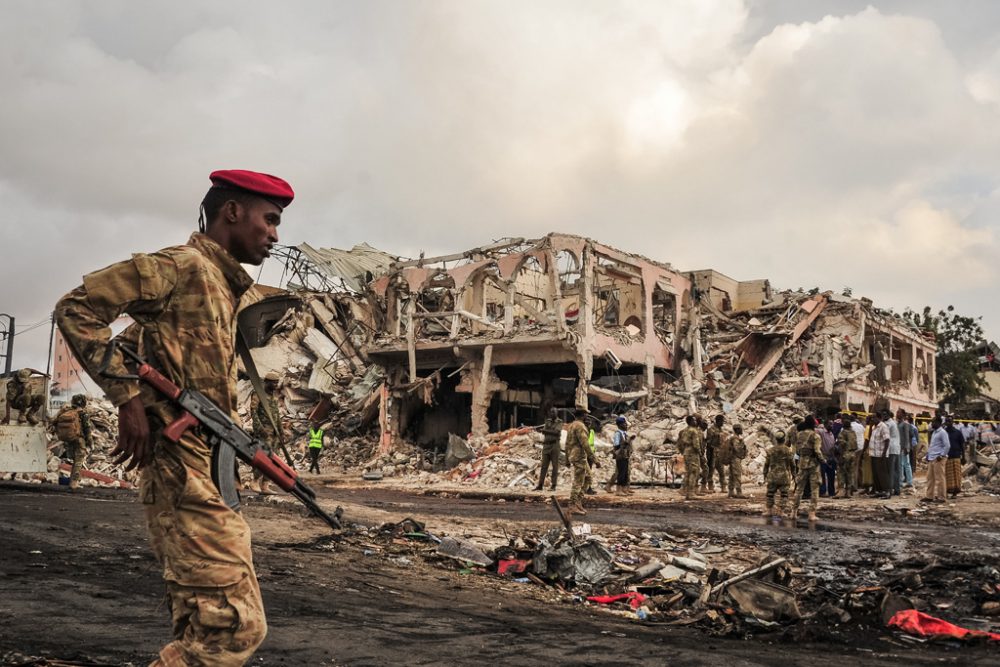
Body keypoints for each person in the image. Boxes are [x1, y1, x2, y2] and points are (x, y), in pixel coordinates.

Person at [55, 168, 293, 665]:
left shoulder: (223, 288)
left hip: (201, 465)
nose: (275, 235)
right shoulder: (180, 267)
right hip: (178, 468)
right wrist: (126, 400)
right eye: (269, 220)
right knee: (233, 629)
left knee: (206, 620)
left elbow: (139, 347)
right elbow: (75, 309)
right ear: (232, 211)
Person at [54, 394, 93, 490]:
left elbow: (54, 422)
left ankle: (73, 481)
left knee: (75, 461)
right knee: (78, 461)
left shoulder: (66, 412)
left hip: (69, 439)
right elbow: (87, 429)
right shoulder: (84, 414)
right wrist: (90, 442)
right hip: (79, 440)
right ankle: (74, 482)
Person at [249, 377, 281, 494]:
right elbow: (253, 412)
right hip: (264, 433)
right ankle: (255, 481)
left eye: (277, 382)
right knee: (263, 457)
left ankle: (265, 485)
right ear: (267, 382)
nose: (276, 385)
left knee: (273, 458)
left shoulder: (274, 398)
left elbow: (277, 416)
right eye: (274, 382)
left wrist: (280, 431)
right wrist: (259, 429)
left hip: (274, 433)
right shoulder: (258, 394)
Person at [789, 415, 823, 522]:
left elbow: (798, 450)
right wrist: (823, 460)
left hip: (802, 463)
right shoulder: (815, 436)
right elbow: (817, 451)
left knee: (799, 489)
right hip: (813, 465)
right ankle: (812, 514)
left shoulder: (799, 435)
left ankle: (793, 512)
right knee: (814, 489)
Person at [565, 409, 593, 515]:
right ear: (583, 415)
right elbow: (585, 444)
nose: (587, 416)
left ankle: (577, 502)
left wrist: (567, 459)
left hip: (575, 456)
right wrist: (594, 459)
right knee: (578, 482)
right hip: (579, 457)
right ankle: (572, 505)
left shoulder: (571, 425)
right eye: (586, 414)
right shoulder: (580, 426)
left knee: (588, 478)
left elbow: (567, 444)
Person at [762, 430, 794, 518]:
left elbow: (766, 465)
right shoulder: (788, 450)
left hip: (773, 475)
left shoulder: (770, 450)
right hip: (784, 476)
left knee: (770, 493)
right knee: (784, 494)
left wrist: (765, 475)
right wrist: (794, 475)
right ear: (784, 439)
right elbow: (792, 464)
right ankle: (781, 511)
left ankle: (769, 511)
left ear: (776, 439)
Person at [922, 416, 949, 504]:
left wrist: (941, 455)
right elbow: (933, 445)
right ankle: (929, 496)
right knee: (930, 478)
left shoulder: (942, 432)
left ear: (938, 423)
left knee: (940, 478)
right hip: (932, 457)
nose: (931, 424)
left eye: (933, 422)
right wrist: (928, 455)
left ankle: (941, 497)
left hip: (938, 458)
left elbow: (947, 445)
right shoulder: (934, 432)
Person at [534, 408, 563, 491]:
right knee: (544, 466)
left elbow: (557, 432)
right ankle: (540, 485)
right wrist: (547, 431)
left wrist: (545, 430)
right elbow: (548, 432)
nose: (552, 413)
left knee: (555, 466)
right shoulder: (548, 421)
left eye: (554, 412)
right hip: (546, 445)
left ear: (557, 413)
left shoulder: (559, 422)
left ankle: (553, 485)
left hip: (555, 445)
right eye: (551, 412)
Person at [678, 415, 702, 501]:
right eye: (694, 420)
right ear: (691, 421)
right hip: (692, 452)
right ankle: (691, 492)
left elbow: (680, 443)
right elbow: (696, 444)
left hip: (686, 451)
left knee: (688, 472)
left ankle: (687, 491)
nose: (695, 422)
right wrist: (700, 452)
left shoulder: (684, 431)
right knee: (694, 472)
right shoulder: (694, 431)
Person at [869, 413, 891, 498]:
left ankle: (887, 491)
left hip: (880, 455)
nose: (872, 419)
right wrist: (870, 426)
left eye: (874, 418)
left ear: (879, 418)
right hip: (874, 454)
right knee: (876, 474)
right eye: (872, 418)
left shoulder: (883, 427)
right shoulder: (874, 427)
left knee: (882, 474)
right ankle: (879, 491)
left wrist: (884, 453)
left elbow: (887, 440)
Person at [611, 416, 633, 496]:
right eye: (624, 424)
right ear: (620, 424)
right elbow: (616, 445)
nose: (626, 425)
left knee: (625, 473)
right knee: (621, 472)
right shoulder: (618, 433)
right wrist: (625, 443)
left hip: (625, 455)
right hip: (620, 456)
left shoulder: (624, 433)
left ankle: (624, 489)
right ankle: (618, 490)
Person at [835, 415, 857, 497]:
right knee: (850, 473)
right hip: (853, 454)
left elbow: (841, 444)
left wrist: (840, 455)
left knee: (841, 472)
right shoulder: (853, 432)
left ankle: (841, 491)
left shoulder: (843, 433)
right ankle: (848, 491)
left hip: (845, 454)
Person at [704, 414, 727, 493]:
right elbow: (709, 442)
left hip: (720, 453)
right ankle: (710, 487)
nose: (723, 423)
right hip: (713, 453)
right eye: (722, 422)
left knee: (722, 471)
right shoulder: (711, 430)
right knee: (711, 471)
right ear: (718, 421)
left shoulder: (720, 429)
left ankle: (723, 487)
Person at [944, 415, 965, 498]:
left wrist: (963, 457)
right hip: (947, 456)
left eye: (950, 421)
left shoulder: (958, 432)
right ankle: (948, 490)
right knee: (948, 475)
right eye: (947, 421)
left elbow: (962, 445)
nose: (948, 422)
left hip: (956, 455)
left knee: (956, 475)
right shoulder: (943, 432)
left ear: (953, 422)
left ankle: (955, 492)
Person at [726, 423, 747, 498]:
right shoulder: (735, 438)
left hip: (733, 458)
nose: (742, 430)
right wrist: (742, 443)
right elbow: (737, 448)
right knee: (737, 475)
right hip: (735, 459)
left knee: (732, 475)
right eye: (741, 429)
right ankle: (739, 492)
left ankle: (731, 492)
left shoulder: (734, 437)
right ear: (737, 429)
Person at [817, 419, 837, 497]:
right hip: (824, 456)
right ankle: (822, 492)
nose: (831, 426)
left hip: (831, 457)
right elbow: (816, 430)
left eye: (832, 424)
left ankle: (831, 492)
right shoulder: (822, 432)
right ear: (825, 424)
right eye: (830, 424)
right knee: (822, 475)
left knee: (831, 476)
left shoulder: (832, 434)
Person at [896, 410, 914, 491]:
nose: (897, 414)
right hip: (899, 446)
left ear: (902, 414)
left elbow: (907, 437)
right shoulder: (897, 424)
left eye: (898, 413)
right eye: (897, 413)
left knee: (906, 464)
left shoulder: (905, 424)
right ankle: (900, 481)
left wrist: (907, 447)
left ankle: (909, 482)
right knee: (900, 465)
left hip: (904, 447)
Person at [886, 411, 901, 496]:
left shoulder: (889, 424)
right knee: (896, 470)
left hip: (891, 448)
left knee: (891, 470)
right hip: (896, 448)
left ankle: (890, 489)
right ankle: (897, 489)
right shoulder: (894, 423)